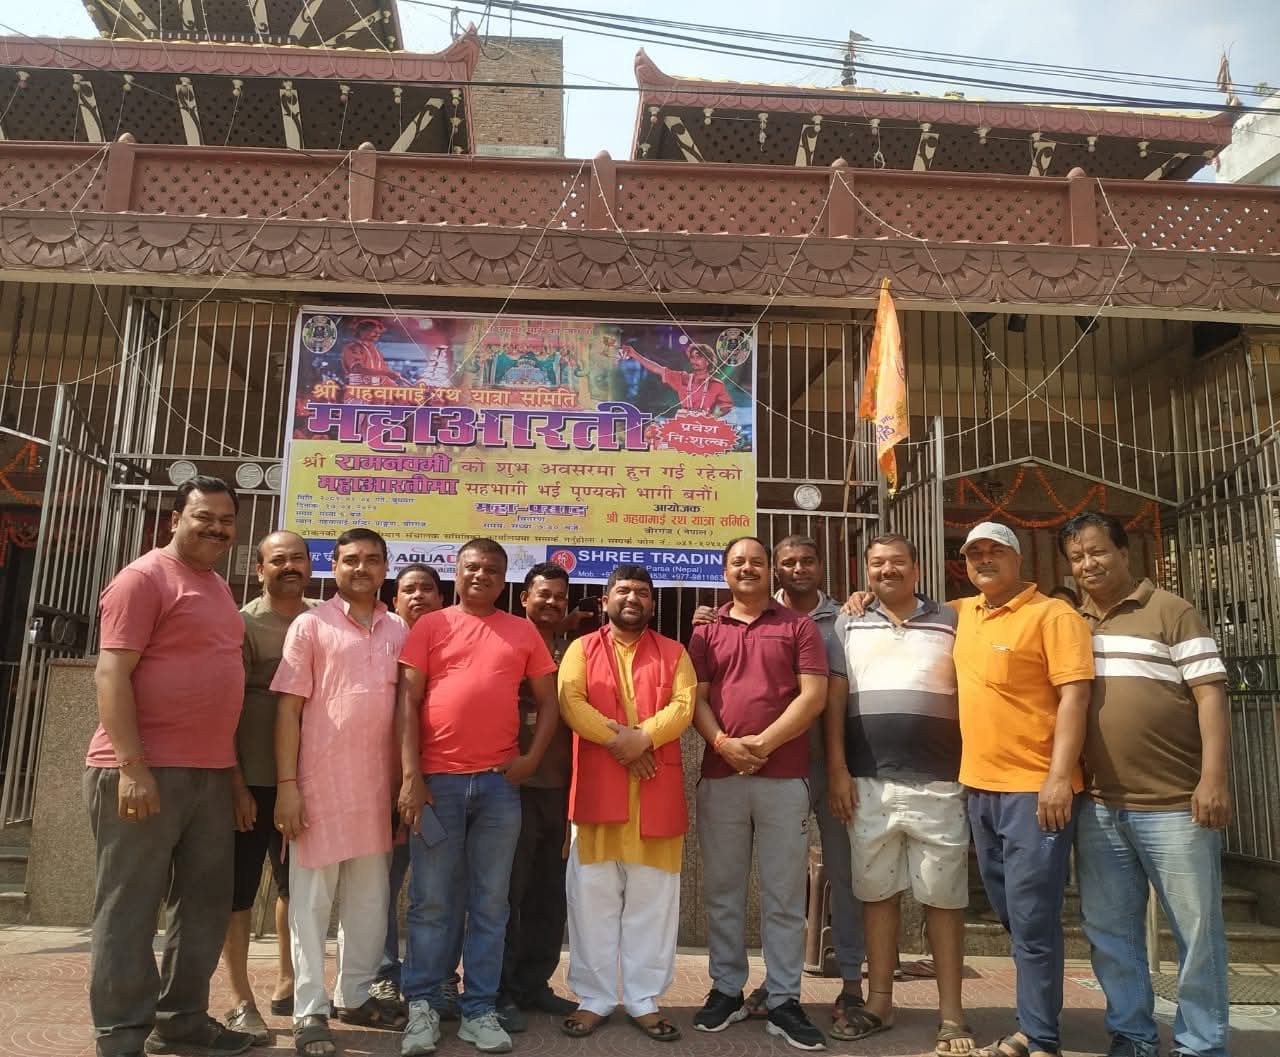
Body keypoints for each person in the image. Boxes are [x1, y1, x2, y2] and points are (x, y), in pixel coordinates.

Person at [85, 476, 254, 1057]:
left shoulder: (216, 587)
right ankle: (120, 1033)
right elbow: (111, 672)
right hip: (143, 771)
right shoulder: (142, 579)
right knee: (130, 906)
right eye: (203, 516)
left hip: (210, 774)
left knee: (205, 904)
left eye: (226, 521)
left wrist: (232, 777)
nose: (216, 529)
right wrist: (132, 766)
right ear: (175, 518)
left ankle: (181, 1020)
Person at [1059, 512, 1231, 1057]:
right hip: (1100, 806)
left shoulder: (1171, 611)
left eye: (1096, 552)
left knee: (1196, 933)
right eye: (1077, 557)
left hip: (1177, 805)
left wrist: (1214, 778)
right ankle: (1133, 1035)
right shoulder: (1071, 622)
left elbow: (1210, 694)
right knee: (1111, 933)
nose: (1088, 564)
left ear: (1123, 552)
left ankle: (1201, 1044)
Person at [692, 536, 867, 1036]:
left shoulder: (799, 627)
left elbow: (813, 697)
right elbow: (695, 698)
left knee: (784, 897)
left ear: (770, 571)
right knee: (723, 893)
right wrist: (723, 744)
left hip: (786, 776)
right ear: (725, 571)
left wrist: (761, 744)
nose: (747, 569)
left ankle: (785, 998)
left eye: (757, 562)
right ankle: (726, 989)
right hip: (721, 776)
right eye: (738, 562)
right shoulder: (706, 631)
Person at [396, 538, 561, 1056]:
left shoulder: (522, 631)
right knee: (432, 901)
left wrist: (530, 760)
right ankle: (423, 1006)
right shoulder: (431, 626)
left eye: (491, 569)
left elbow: (549, 703)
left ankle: (479, 1008)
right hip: (437, 785)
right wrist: (411, 776)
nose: (481, 575)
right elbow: (408, 701)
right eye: (472, 567)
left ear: (503, 577)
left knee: (491, 903)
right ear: (457, 570)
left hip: (498, 787)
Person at [829, 534, 973, 1055]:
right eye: (877, 564)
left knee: (944, 899)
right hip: (868, 781)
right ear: (866, 572)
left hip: (940, 780)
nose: (886, 570)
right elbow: (835, 699)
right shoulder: (848, 622)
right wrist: (838, 769)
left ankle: (952, 1015)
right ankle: (880, 1002)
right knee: (876, 894)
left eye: (896, 562)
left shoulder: (953, 620)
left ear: (916, 568)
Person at [953, 523, 1093, 1057]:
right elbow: (905, 607)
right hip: (980, 790)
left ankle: (1039, 1037)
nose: (985, 560)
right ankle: (1036, 1018)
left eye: (996, 551)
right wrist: (860, 600)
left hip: (1035, 792)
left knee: (1033, 918)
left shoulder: (1054, 616)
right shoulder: (962, 613)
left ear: (1017, 558)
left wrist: (1058, 777)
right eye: (975, 554)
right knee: (1013, 915)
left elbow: (1075, 697)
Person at [272, 528, 410, 1057]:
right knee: (310, 904)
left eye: (372, 559)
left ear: (385, 568)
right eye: (351, 559)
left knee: (370, 904)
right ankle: (310, 1009)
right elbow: (288, 710)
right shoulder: (310, 624)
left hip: (376, 792)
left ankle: (353, 996)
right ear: (334, 565)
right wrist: (288, 786)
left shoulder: (399, 629)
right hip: (319, 788)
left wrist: (403, 784)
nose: (361, 568)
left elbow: (406, 713)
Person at [556, 564, 696, 1043]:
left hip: (655, 794)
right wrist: (625, 743)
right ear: (605, 600)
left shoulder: (675, 652)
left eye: (641, 591)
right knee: (590, 903)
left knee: (652, 907)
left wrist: (644, 738)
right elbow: (572, 703)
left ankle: (643, 1000)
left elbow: (683, 706)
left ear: (652, 603)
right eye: (623, 590)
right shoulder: (581, 649)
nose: (632, 597)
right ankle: (594, 998)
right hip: (598, 793)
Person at [221, 531, 316, 1045]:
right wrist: (236, 783)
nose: (289, 566)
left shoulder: (322, 618)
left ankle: (288, 980)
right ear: (260, 570)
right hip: (251, 779)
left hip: (306, 780)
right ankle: (240, 998)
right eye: (278, 560)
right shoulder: (242, 624)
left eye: (298, 558)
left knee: (294, 887)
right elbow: (224, 709)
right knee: (238, 890)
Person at [498, 564, 579, 1029]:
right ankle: (501, 989)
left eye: (559, 597)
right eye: (543, 595)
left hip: (562, 789)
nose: (551, 603)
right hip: (512, 787)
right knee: (508, 893)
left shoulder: (574, 651)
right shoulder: (505, 641)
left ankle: (534, 984)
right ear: (524, 597)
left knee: (549, 894)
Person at [373, 565, 450, 1012]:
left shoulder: (451, 638)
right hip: (383, 783)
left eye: (427, 589)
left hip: (439, 784)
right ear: (394, 599)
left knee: (437, 887)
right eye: (409, 589)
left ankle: (436, 975)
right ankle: (384, 971)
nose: (419, 596)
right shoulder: (381, 640)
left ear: (441, 599)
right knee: (381, 883)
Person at [619, 341, 734, 417]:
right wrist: (634, 354)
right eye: (692, 357)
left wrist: (711, 417)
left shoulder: (717, 385)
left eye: (698, 357)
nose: (694, 361)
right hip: (682, 427)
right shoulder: (683, 378)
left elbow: (726, 407)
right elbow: (657, 369)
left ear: (708, 361)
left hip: (704, 431)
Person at [342, 318, 407, 387]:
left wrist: (397, 387)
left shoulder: (377, 352)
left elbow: (384, 373)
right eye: (374, 331)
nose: (377, 334)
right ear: (362, 331)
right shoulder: (353, 347)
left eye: (379, 332)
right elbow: (357, 369)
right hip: (358, 390)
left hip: (375, 390)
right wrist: (386, 373)